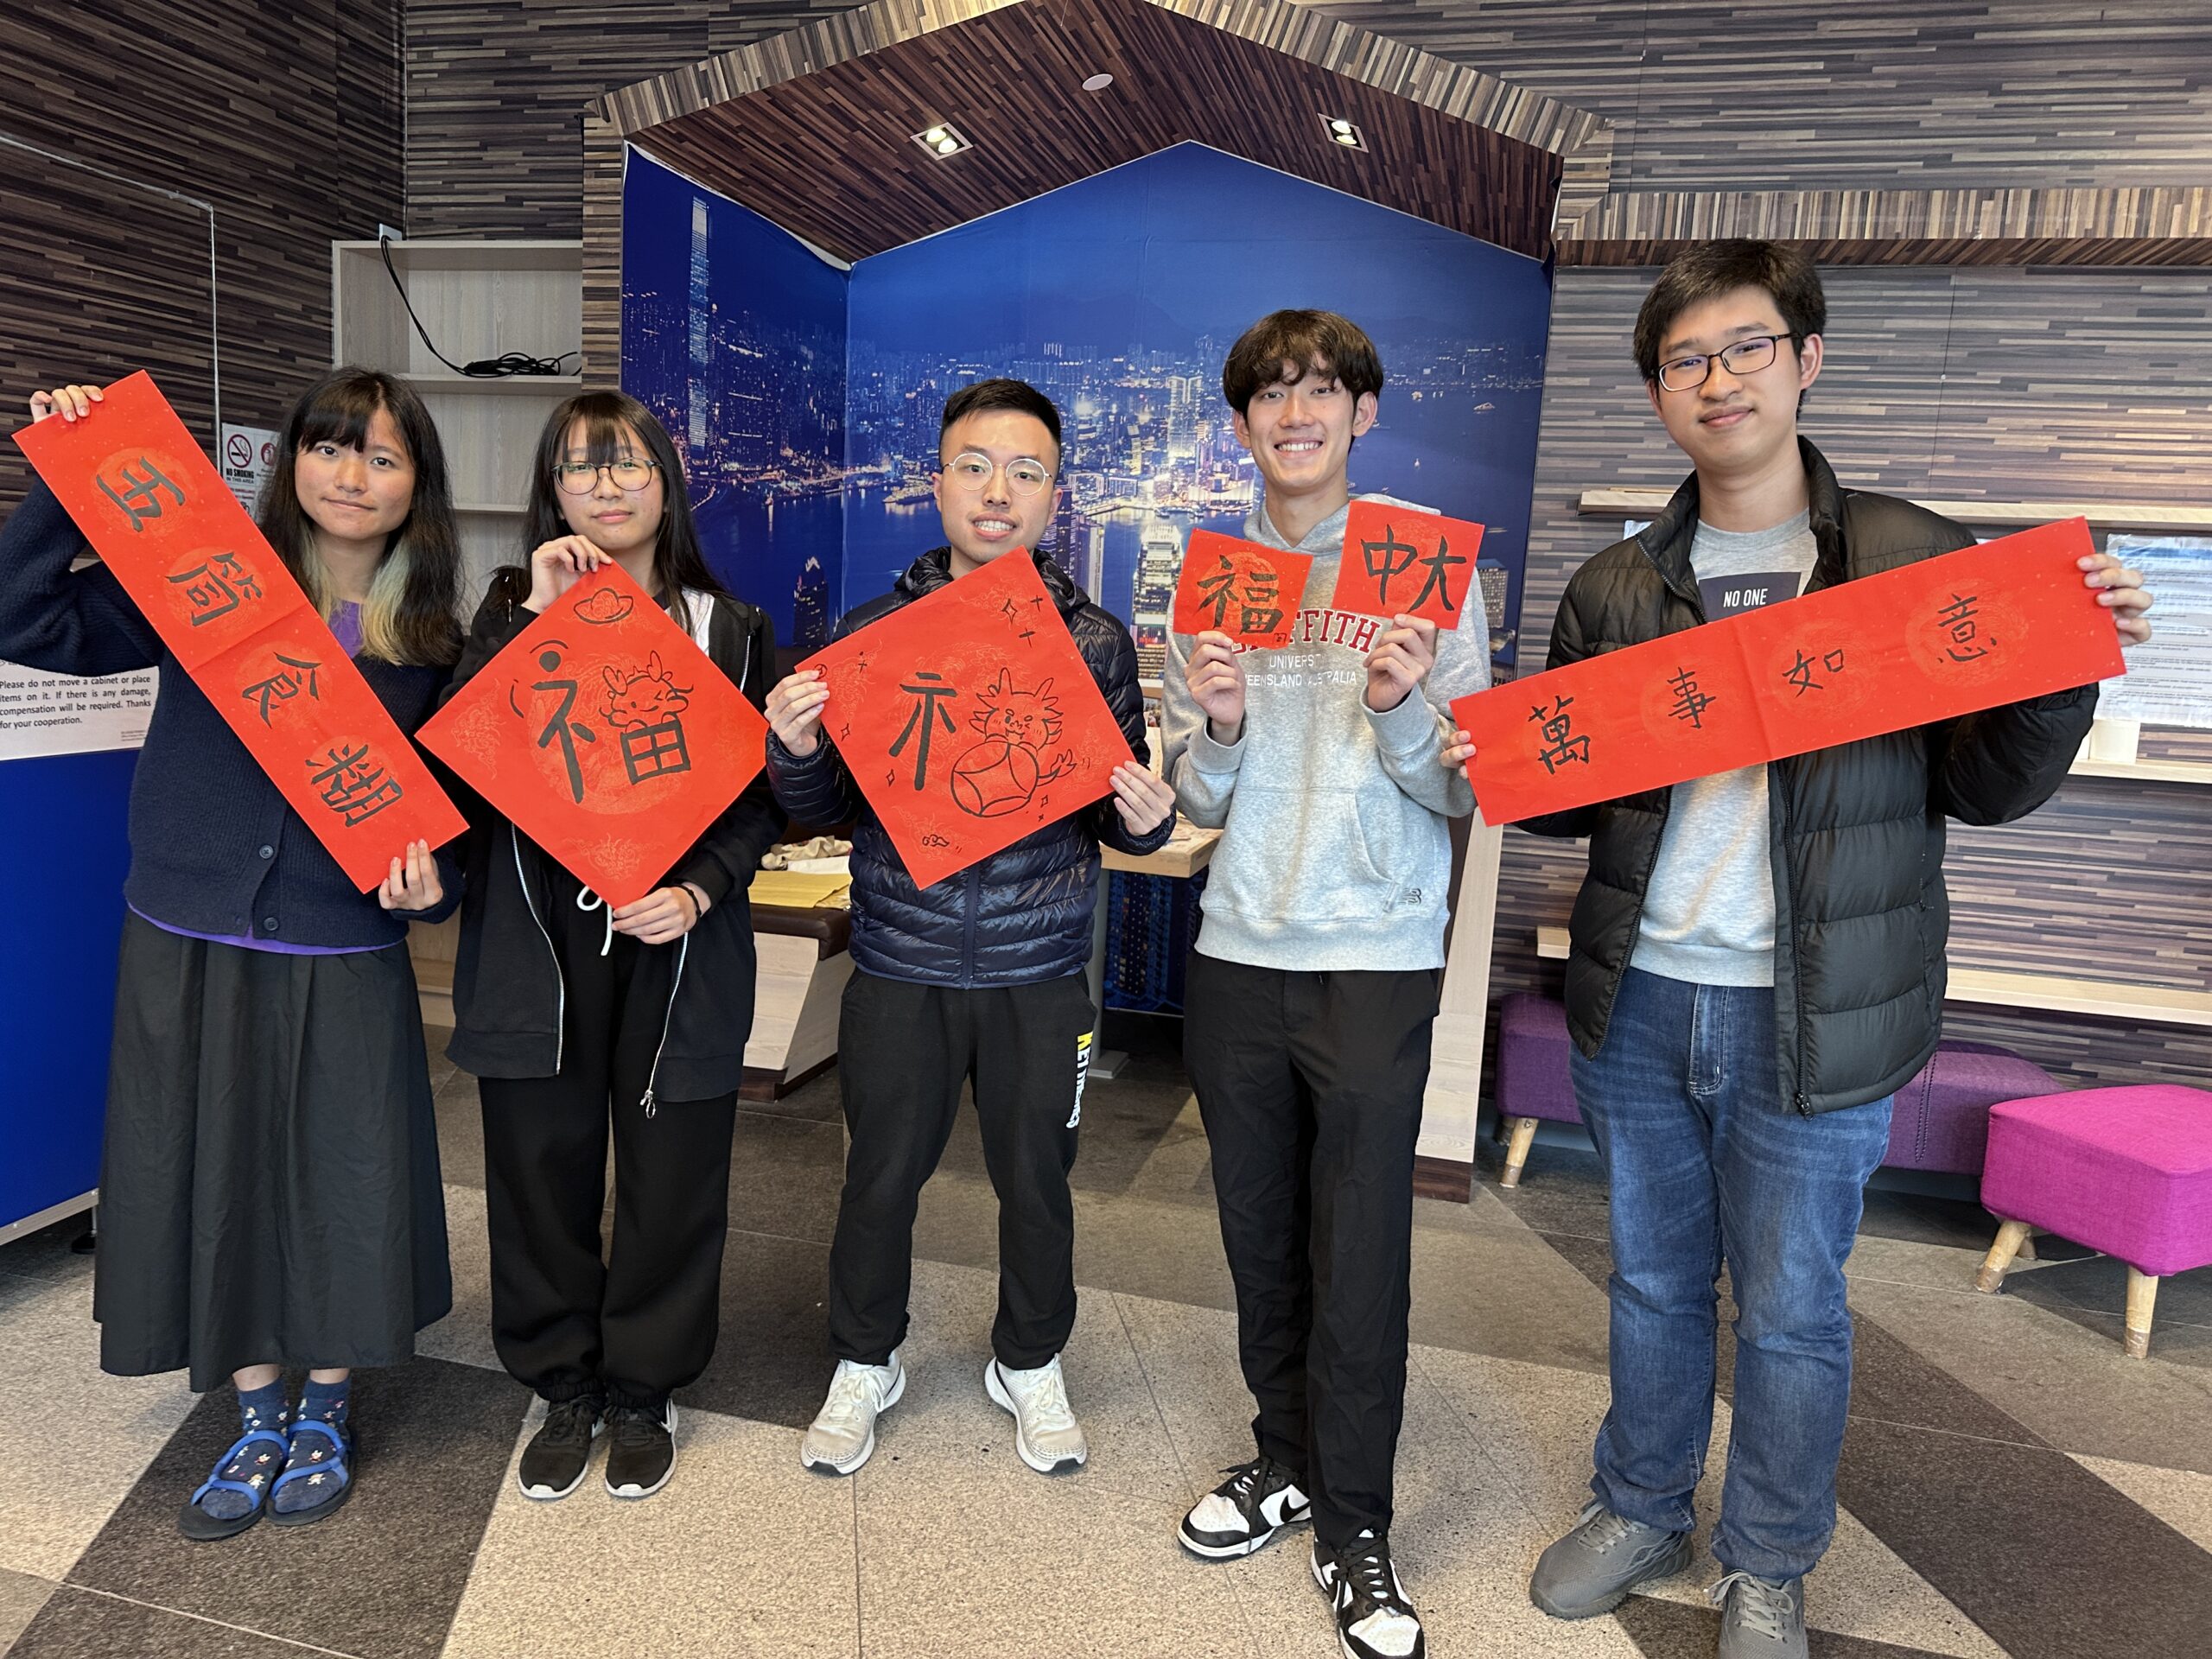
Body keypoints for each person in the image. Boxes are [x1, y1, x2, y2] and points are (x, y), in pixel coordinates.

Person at [1477, 240, 2154, 1659]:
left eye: (1747, 346)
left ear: (1806, 360)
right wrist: (1478, 722)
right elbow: (1559, 783)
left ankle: (1771, 1558)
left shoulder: (1913, 562)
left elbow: (1986, 785)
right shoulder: (1616, 586)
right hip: (1646, 995)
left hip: (1822, 1008)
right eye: (1686, 359)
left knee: (1790, 1307)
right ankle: (1643, 1502)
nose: (1718, 379)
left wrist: (2065, 674)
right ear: (1660, 391)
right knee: (1656, 1280)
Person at [0, 370, 465, 1539]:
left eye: (382, 456)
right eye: (328, 447)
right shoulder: (204, 594)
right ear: (286, 464)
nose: (350, 475)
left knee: (339, 1174)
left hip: (343, 943)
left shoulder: (435, 644)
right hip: (188, 933)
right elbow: (23, 619)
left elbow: (454, 825)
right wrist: (72, 475)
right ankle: (253, 1408)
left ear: (421, 489)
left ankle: (327, 1401)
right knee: (205, 1162)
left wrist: (427, 888)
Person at [763, 377, 1176, 1479]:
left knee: (1038, 1180)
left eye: (1026, 472)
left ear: (1055, 497)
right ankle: (865, 1360)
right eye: (976, 467)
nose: (999, 493)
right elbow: (820, 813)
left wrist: (1149, 815)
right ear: (937, 482)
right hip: (902, 959)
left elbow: (1114, 810)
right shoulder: (871, 635)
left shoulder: (1090, 641)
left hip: (1040, 970)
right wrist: (793, 750)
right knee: (877, 1179)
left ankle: (1028, 1361)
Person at [1160, 310, 1490, 1659]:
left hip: (1376, 953)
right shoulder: (1214, 567)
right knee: (1257, 1233)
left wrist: (1410, 703)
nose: (1293, 413)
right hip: (1240, 943)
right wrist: (1222, 724)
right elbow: (1195, 784)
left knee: (1361, 1248)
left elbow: (1461, 783)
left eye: (1320, 391)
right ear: (1241, 426)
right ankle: (1281, 1456)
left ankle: (1358, 1523)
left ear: (1363, 411)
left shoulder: (1424, 566)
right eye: (1267, 396)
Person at [442, 391, 781, 1503]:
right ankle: (561, 1381)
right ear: (550, 491)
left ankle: (644, 1384)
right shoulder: (506, 607)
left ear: (665, 484)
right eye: (581, 468)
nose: (606, 486)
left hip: (675, 942)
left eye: (629, 465)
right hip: (537, 945)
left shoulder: (725, 627)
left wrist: (699, 888)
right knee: (538, 1165)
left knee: (674, 1172)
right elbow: (457, 768)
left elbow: (759, 797)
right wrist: (534, 623)